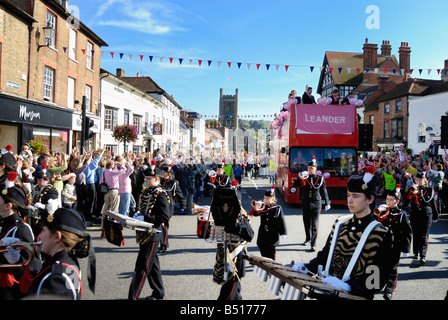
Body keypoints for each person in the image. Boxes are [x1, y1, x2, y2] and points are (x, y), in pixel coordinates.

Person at [292, 166, 394, 300]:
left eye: (355, 196)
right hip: (329, 292)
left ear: (370, 199)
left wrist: (349, 286)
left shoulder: (381, 233)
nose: (350, 200)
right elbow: (326, 255)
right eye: (348, 195)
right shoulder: (341, 224)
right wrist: (307, 267)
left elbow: (378, 277)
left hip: (357, 296)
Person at [23, 207, 96, 300]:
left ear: (57, 236)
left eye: (44, 231)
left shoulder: (56, 278)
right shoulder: (67, 260)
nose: (40, 235)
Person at [128, 167, 170, 300]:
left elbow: (164, 217)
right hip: (144, 232)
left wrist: (145, 218)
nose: (146, 181)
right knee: (153, 266)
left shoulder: (161, 194)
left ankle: (133, 297)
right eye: (145, 178)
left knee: (142, 266)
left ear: (157, 179)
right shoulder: (147, 192)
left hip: (153, 234)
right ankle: (159, 292)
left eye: (148, 178)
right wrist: (137, 215)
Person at [0, 172, 41, 300]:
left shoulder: (20, 229)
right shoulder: (4, 223)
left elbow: (33, 265)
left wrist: (14, 260)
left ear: (8, 206)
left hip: (12, 291)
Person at [375, 185, 412, 300]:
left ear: (397, 201)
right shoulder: (383, 212)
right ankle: (380, 284)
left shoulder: (401, 215)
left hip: (396, 245)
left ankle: (389, 289)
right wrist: (377, 214)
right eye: (387, 199)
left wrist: (406, 249)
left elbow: (407, 232)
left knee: (393, 267)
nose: (388, 201)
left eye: (391, 200)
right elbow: (374, 225)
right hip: (383, 244)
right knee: (382, 265)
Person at [293, 157, 331, 251]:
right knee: (306, 222)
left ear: (315, 169)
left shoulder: (320, 178)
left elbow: (324, 191)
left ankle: (313, 244)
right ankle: (308, 238)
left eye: (312, 168)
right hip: (306, 202)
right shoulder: (304, 177)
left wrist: (327, 203)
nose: (310, 170)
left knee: (314, 224)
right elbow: (296, 185)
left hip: (316, 203)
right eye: (309, 168)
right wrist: (300, 177)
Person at [249, 186, 287, 260]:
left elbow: (281, 220)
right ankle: (264, 263)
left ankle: (270, 268)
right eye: (264, 198)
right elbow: (254, 214)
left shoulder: (277, 208)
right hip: (263, 233)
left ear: (272, 200)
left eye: (267, 198)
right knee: (262, 249)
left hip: (272, 235)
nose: (265, 200)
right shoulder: (262, 207)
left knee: (271, 255)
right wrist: (256, 208)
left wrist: (283, 232)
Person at [406, 172, 436, 266]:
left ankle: (423, 255)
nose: (418, 181)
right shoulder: (413, 189)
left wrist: (420, 192)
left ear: (424, 180)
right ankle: (416, 252)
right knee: (416, 233)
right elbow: (406, 202)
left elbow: (429, 200)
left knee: (424, 235)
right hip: (415, 213)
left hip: (425, 214)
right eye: (417, 180)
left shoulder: (429, 189)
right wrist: (411, 193)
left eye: (420, 180)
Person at [159, 165, 186, 253]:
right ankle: (162, 243)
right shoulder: (159, 181)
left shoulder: (174, 182)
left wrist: (183, 205)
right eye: (162, 172)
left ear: (169, 174)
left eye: (165, 173)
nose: (163, 174)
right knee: (159, 224)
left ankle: (164, 244)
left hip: (168, 204)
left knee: (164, 224)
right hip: (159, 203)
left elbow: (180, 194)